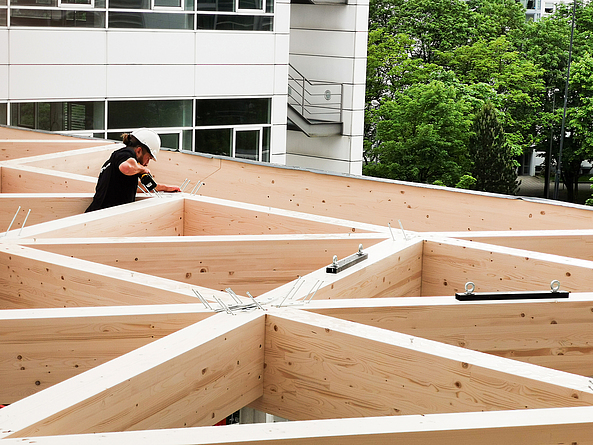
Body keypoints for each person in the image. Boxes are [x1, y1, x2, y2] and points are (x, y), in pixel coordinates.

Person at [85, 128, 180, 212]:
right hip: (100, 219)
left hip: (97, 216)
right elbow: (126, 167)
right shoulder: (126, 153)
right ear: (139, 151)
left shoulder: (117, 162)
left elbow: (135, 186)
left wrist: (165, 188)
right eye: (149, 158)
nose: (147, 163)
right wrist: (143, 169)